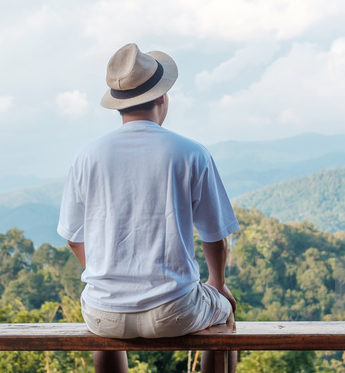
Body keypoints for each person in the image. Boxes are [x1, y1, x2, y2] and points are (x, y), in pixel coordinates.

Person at [57, 43, 239, 372]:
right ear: (162, 97)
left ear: (118, 105)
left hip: (103, 312)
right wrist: (217, 283)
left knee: (106, 332)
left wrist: (105, 274)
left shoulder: (87, 156)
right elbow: (214, 235)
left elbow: (73, 237)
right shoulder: (191, 153)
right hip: (175, 311)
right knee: (224, 311)